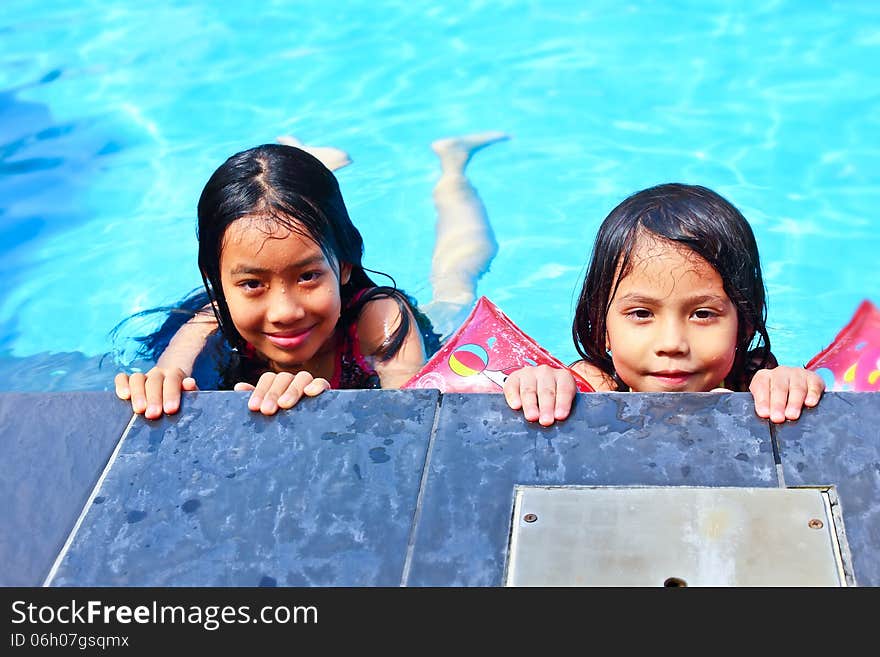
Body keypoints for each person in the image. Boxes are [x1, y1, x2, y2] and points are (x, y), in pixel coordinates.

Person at [115, 132, 507, 418]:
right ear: (217, 281)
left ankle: (453, 166)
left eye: (307, 277)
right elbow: (168, 378)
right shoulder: (208, 323)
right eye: (252, 284)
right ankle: (303, 160)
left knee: (457, 281)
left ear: (346, 265)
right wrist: (154, 388)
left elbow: (408, 419)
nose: (284, 311)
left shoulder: (382, 322)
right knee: (278, 209)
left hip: (399, 333)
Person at [503, 183, 825, 426]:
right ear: (601, 326)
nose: (672, 344)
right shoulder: (592, 388)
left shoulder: (750, 381)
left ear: (745, 326)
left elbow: (789, 393)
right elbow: (544, 394)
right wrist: (538, 384)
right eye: (642, 313)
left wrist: (789, 386)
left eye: (702, 313)